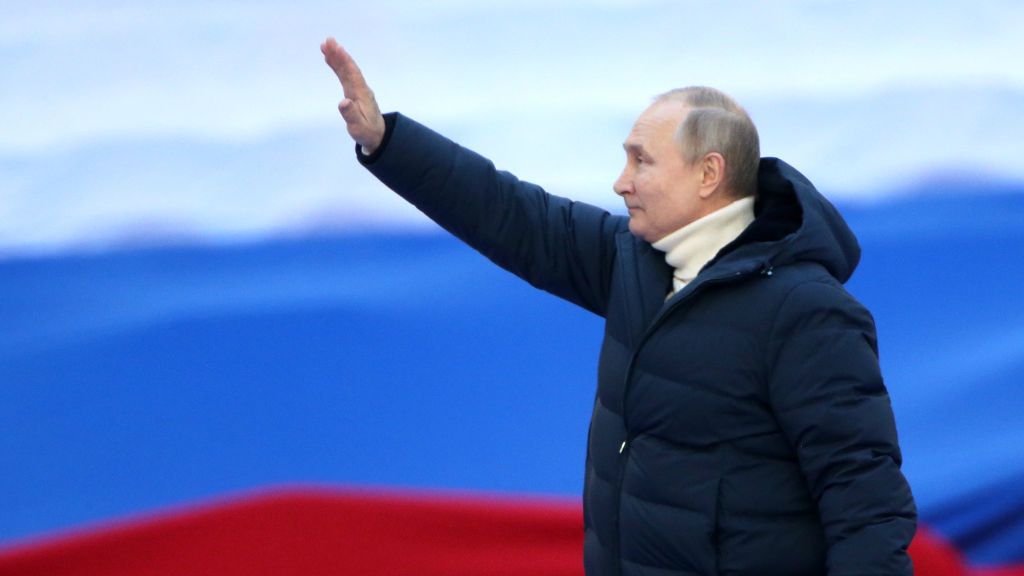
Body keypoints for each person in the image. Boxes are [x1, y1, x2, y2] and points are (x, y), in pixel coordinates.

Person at [320, 37, 917, 576]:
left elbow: (865, 502)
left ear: (709, 173)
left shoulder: (806, 311)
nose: (620, 181)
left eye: (641, 160)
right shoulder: (635, 261)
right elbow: (508, 213)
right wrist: (386, 141)